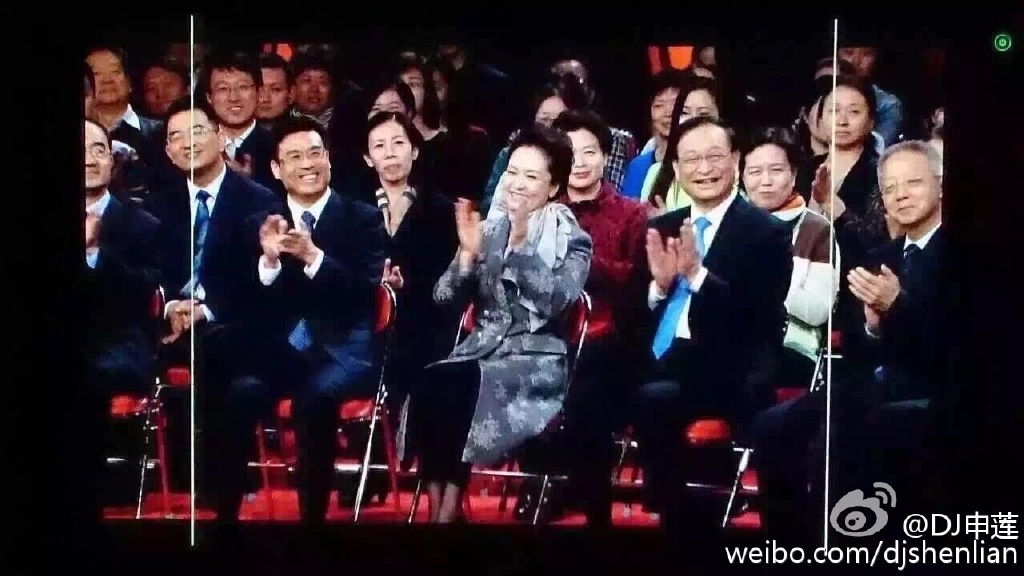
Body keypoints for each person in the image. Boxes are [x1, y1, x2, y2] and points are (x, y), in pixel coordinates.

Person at [408, 123, 593, 523]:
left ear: (553, 187)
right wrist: (466, 258)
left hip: (535, 363)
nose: (517, 184)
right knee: (434, 380)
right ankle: (440, 510)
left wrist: (523, 247)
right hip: (481, 351)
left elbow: (556, 303)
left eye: (531, 176)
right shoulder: (488, 231)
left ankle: (446, 514)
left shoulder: (574, 240)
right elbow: (443, 300)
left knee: (461, 384)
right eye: (512, 172)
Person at [211, 116, 387, 525]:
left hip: (343, 351)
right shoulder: (259, 223)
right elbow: (243, 303)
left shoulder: (362, 218)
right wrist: (269, 263)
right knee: (240, 392)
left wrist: (313, 257)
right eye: (294, 157)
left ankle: (311, 521)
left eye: (314, 153)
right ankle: (224, 516)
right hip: (284, 352)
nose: (307, 164)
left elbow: (364, 294)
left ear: (328, 159)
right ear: (276, 169)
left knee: (314, 398)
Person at [633, 117, 793, 537]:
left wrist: (698, 276)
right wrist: (659, 287)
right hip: (663, 360)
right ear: (677, 169)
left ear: (736, 160)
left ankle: (680, 518)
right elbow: (633, 314)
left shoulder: (767, 233)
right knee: (591, 381)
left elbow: (759, 316)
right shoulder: (661, 228)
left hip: (731, 367)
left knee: (655, 397)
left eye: (714, 157)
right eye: (691, 160)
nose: (704, 169)